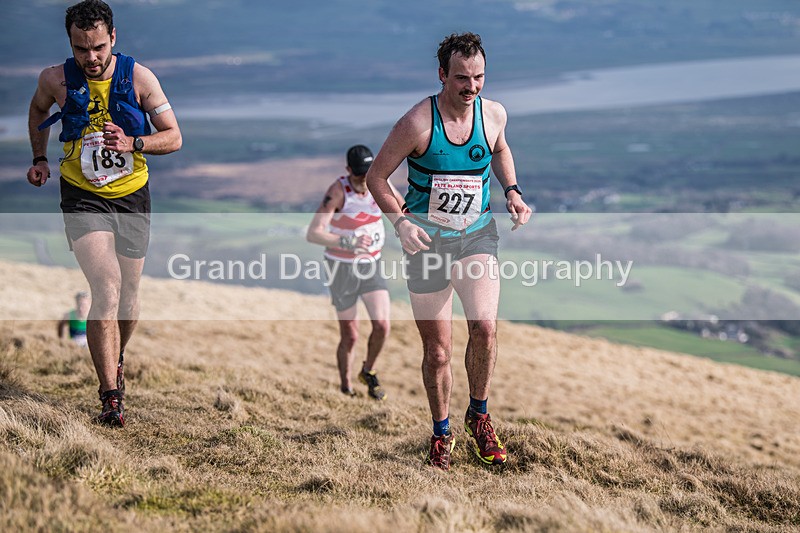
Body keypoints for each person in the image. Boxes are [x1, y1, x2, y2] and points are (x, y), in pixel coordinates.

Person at [367, 33, 533, 470]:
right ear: (442, 75)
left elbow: (499, 148)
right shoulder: (417, 123)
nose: (472, 86)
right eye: (461, 78)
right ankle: (442, 433)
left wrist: (512, 190)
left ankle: (479, 415)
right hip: (427, 243)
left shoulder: (493, 114)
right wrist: (401, 222)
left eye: (478, 77)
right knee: (438, 351)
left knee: (484, 327)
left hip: (476, 235)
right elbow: (376, 178)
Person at [26, 0, 182, 427]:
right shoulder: (54, 79)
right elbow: (38, 111)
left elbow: (174, 138)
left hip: (132, 195)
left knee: (130, 296)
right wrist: (39, 157)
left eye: (97, 47)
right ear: (70, 44)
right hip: (82, 195)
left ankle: (117, 358)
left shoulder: (140, 78)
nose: (90, 58)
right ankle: (110, 397)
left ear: (113, 38)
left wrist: (133, 143)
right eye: (81, 49)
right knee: (107, 287)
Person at [306, 145, 405, 400]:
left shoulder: (379, 183)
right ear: (348, 170)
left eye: (368, 173)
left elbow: (403, 209)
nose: (364, 179)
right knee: (350, 335)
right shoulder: (339, 191)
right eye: (359, 174)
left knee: (382, 325)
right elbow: (314, 233)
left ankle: (368, 371)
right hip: (341, 267)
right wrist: (348, 241)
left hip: (370, 264)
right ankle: (346, 387)